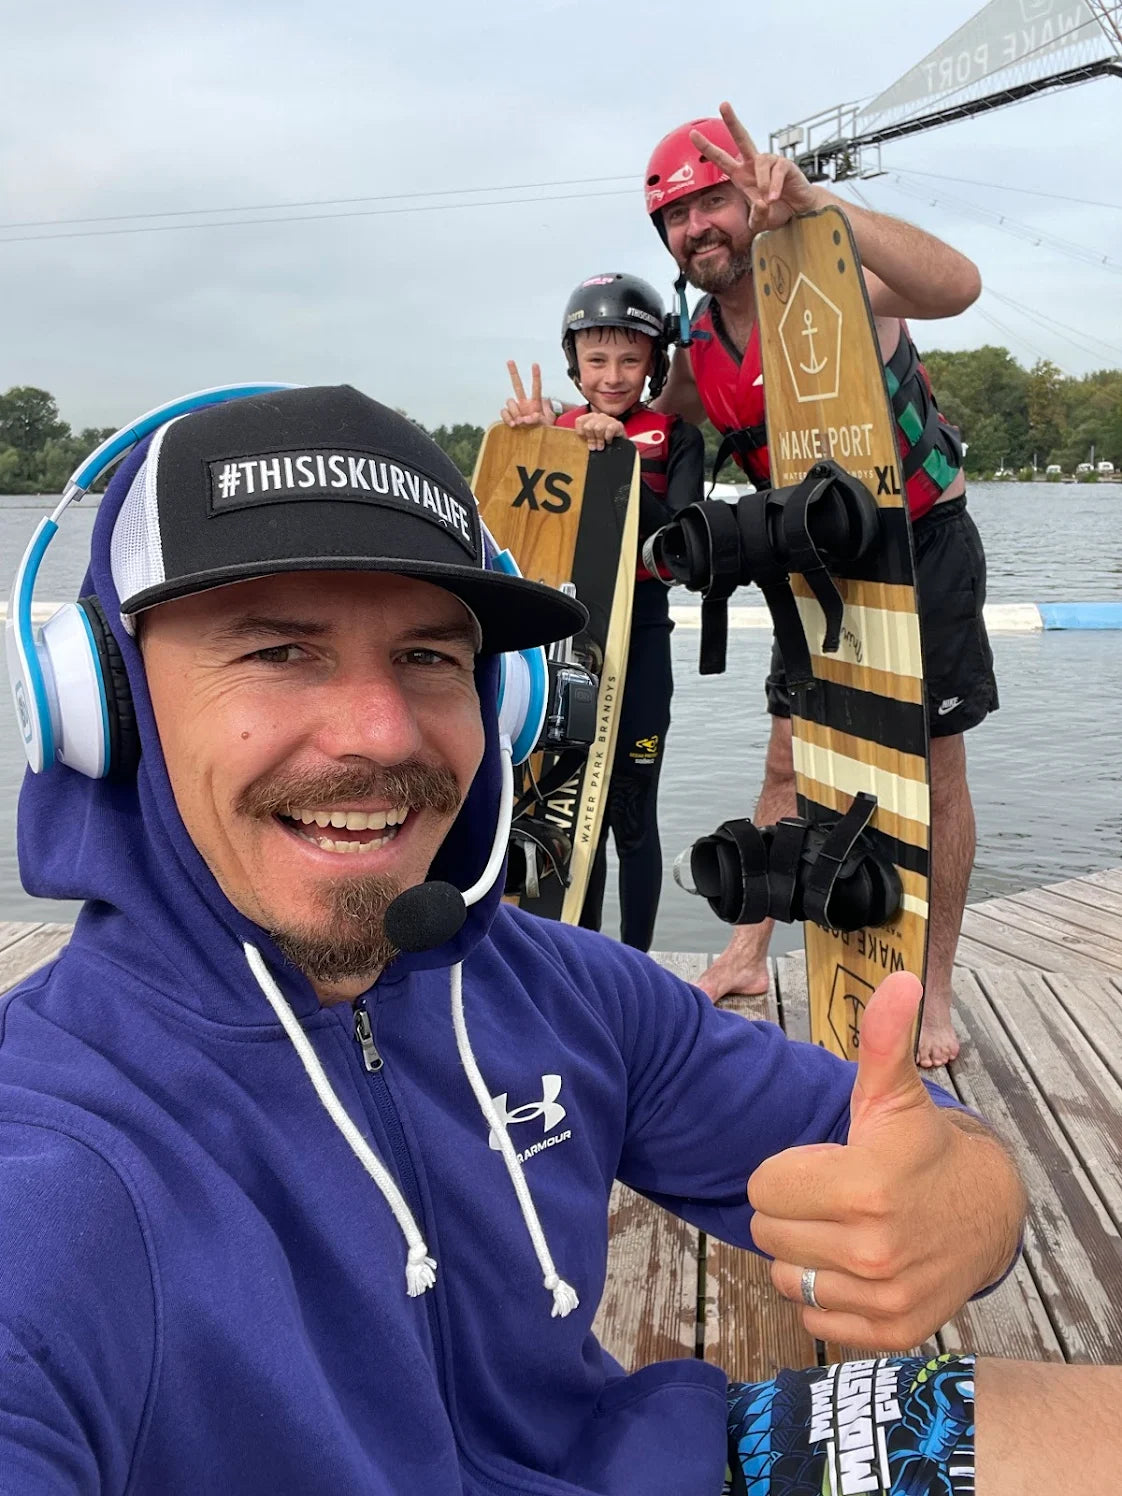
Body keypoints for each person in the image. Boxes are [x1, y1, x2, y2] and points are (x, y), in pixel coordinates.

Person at [0, 384, 1026, 1493]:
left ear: (510, 703)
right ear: (99, 702)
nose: (382, 732)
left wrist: (964, 1206)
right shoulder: (54, 1158)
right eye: (281, 651)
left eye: (430, 657)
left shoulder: (561, 989)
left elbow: (901, 1139)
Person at [646, 103, 998, 1068]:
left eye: (713, 201)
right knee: (784, 765)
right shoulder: (698, 347)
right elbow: (646, 417)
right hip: (813, 570)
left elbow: (960, 285)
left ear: (747, 199)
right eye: (676, 216)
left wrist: (819, 206)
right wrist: (577, 424)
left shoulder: (835, 269)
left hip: (920, 544)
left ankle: (932, 988)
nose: (697, 226)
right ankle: (748, 953)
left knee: (935, 769)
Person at [500, 273, 705, 950]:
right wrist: (527, 445)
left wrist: (616, 458)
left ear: (654, 364)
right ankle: (573, 963)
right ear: (575, 364)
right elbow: (515, 534)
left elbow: (679, 543)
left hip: (642, 644)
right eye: (596, 360)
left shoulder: (676, 438)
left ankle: (638, 969)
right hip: (565, 648)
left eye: (629, 359)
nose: (612, 376)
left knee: (632, 817)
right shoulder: (555, 431)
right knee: (563, 815)